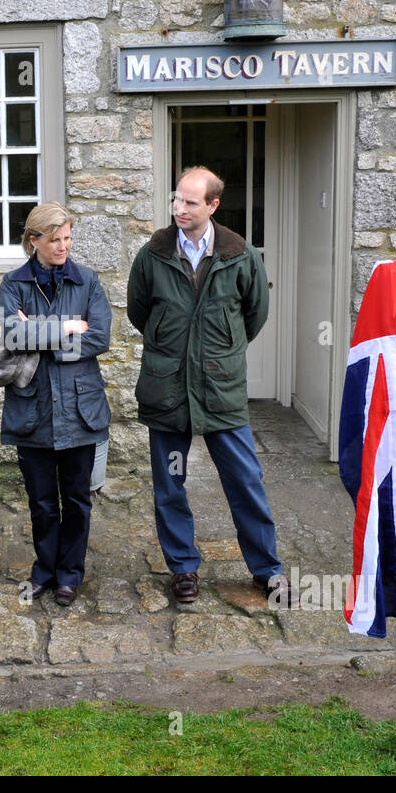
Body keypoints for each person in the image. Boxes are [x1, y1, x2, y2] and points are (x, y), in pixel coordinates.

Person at [127, 166, 293, 606]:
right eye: (176, 199)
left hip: (221, 392)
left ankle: (266, 571)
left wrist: (214, 352)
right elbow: (139, 313)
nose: (179, 209)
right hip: (168, 391)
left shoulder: (241, 255)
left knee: (245, 481)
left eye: (190, 202)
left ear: (213, 206)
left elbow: (253, 317)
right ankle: (183, 568)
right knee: (171, 483)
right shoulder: (153, 255)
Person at [0, 202, 112, 607]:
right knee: (43, 501)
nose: (63, 246)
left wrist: (39, 334)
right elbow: (12, 336)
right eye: (54, 239)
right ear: (34, 241)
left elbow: (99, 338)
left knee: (78, 500)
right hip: (32, 410)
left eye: (67, 238)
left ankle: (70, 574)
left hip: (81, 409)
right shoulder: (13, 283)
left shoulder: (88, 281)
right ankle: (45, 569)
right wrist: (66, 326)